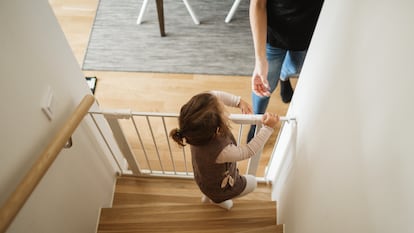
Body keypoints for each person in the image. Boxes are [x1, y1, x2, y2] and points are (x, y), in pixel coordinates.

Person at [170, 90, 279, 210]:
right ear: (218, 130)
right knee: (253, 183)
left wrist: (238, 102)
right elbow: (248, 150)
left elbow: (215, 95)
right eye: (223, 111)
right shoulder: (222, 151)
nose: (226, 111)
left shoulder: (193, 131)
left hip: (203, 178)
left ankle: (208, 196)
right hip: (220, 189)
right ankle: (217, 201)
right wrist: (268, 128)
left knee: (208, 187)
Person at [248, 0, 324, 142]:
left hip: (307, 33)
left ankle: (284, 77)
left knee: (296, 67)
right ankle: (256, 121)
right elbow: (258, 5)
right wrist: (260, 59)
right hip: (275, 34)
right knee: (265, 84)